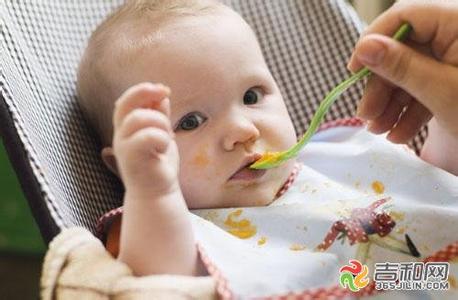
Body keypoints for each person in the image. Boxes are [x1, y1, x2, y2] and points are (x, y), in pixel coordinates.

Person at [76, 0, 458, 297]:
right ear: (126, 165)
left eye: (251, 95)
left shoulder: (339, 157)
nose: (243, 130)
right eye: (190, 122)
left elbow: (438, 188)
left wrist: (448, 121)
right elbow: (157, 282)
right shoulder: (174, 227)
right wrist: (152, 190)